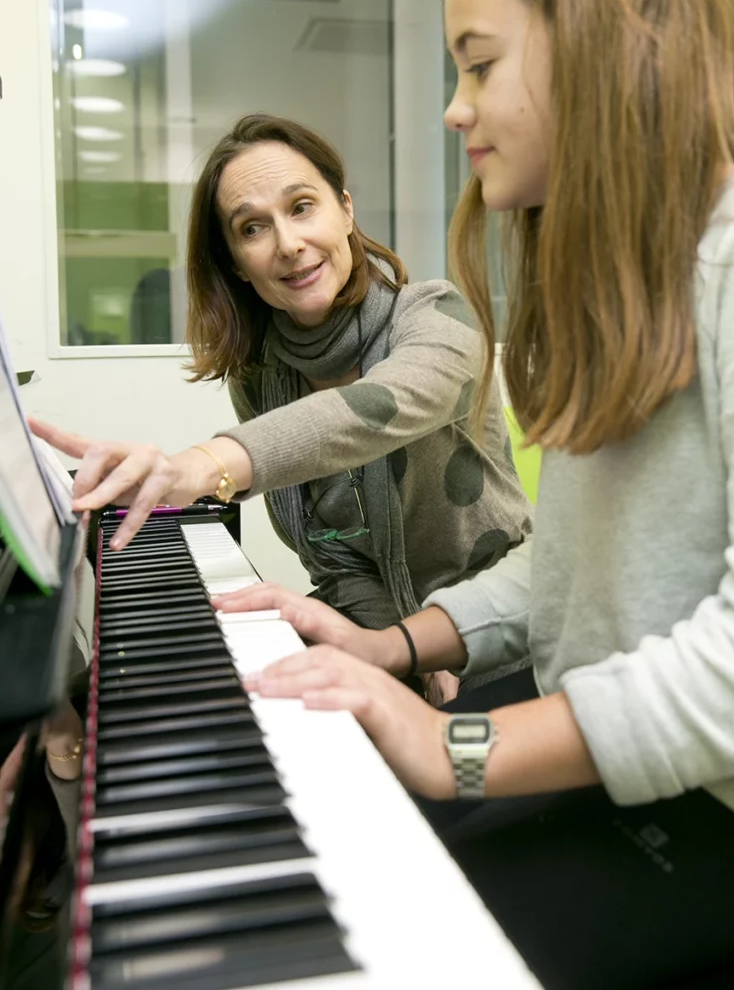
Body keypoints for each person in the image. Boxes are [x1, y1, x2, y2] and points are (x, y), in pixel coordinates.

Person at [213, 0, 734, 989]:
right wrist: (390, 648)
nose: (455, 109)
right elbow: (560, 576)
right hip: (618, 767)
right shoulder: (624, 283)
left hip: (729, 816)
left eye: (477, 63)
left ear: (608, 50)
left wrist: (454, 745)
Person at [32, 113, 532, 699]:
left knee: (445, 783)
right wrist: (404, 649)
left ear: (345, 210)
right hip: (387, 637)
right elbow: (338, 563)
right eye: (252, 228)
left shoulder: (438, 319)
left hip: (511, 642)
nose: (288, 244)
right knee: (167, 691)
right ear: (236, 264)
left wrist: (199, 465)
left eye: (301, 207)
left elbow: (373, 411)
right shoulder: (263, 374)